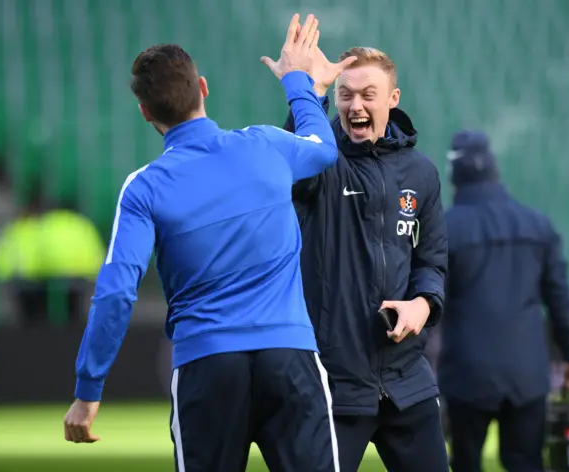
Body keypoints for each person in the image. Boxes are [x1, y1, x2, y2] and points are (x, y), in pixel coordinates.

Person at [64, 14, 353, 472]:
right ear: (202, 86)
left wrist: (88, 389)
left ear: (145, 112)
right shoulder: (265, 145)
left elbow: (117, 292)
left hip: (206, 366)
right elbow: (322, 146)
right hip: (290, 355)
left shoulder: (144, 188)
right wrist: (300, 83)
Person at [285, 47, 449, 472]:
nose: (355, 105)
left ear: (393, 99)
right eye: (345, 95)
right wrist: (309, 92)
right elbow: (292, 165)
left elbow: (431, 261)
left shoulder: (421, 173)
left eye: (368, 95)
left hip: (408, 381)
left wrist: (423, 304)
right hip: (335, 385)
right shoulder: (324, 163)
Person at [439, 130, 569, 472]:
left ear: (454, 173)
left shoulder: (445, 229)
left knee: (464, 463)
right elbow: (560, 299)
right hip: (527, 374)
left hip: (466, 374)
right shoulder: (537, 224)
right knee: (524, 462)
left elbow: (430, 300)